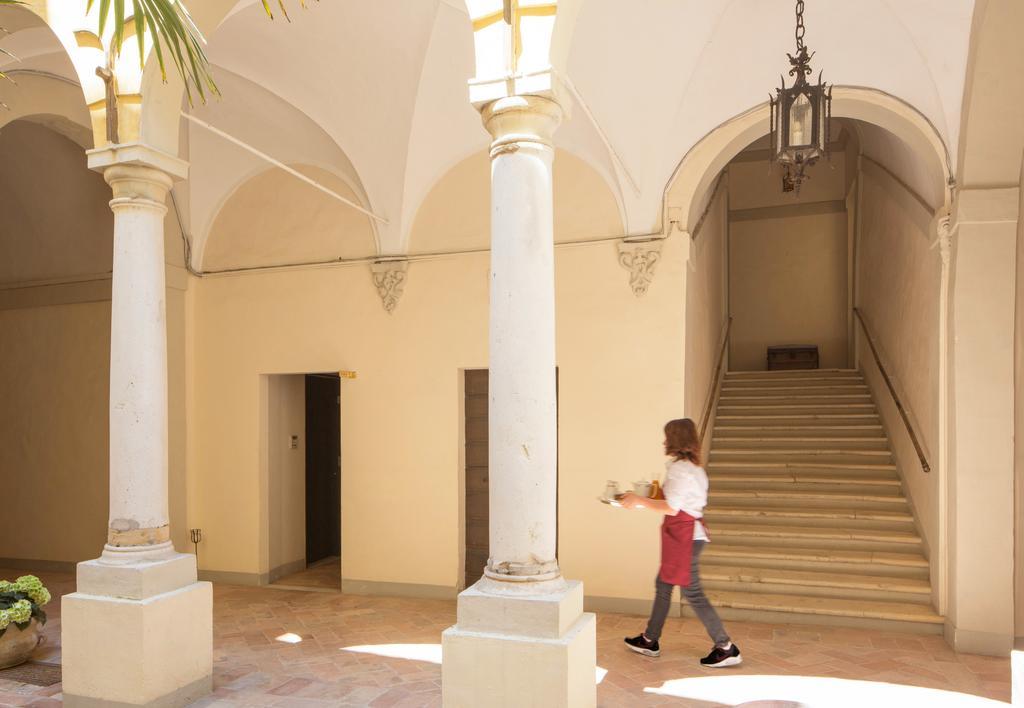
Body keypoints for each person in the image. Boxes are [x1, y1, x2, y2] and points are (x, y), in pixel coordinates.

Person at [618, 418, 742, 667]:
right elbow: (680, 503)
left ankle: (725, 646)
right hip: (688, 534)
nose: (664, 441)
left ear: (675, 439)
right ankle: (649, 639)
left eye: (667, 436)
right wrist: (644, 500)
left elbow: (673, 508)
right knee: (663, 584)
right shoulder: (695, 468)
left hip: (685, 537)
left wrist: (638, 501)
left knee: (692, 593)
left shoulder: (680, 469)